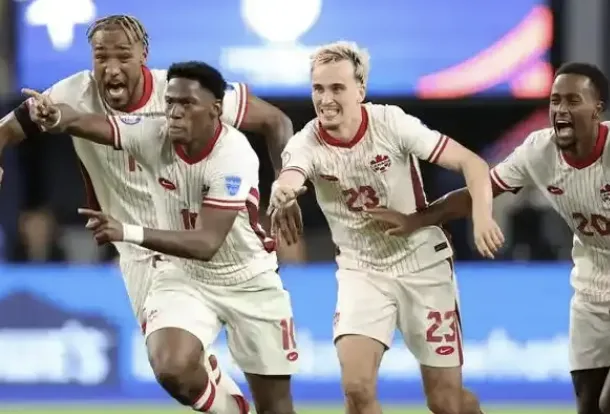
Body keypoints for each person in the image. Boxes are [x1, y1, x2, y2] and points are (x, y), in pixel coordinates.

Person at [0, 14, 297, 407]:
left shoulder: (180, 95)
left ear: (144, 54)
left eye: (123, 56)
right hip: (144, 256)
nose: (111, 68)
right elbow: (25, 126)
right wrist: (45, 122)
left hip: (219, 248)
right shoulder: (72, 93)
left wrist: (286, 185)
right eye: (101, 57)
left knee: (275, 404)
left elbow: (275, 120)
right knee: (173, 370)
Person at [268, 41, 503, 414]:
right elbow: (292, 174)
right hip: (362, 272)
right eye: (318, 88)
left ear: (360, 90)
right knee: (356, 389)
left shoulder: (391, 123)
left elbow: (472, 163)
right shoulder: (306, 142)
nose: (325, 99)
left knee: (446, 402)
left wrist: (483, 216)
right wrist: (284, 191)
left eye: (337, 88)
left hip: (423, 266)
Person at [364, 62, 610, 414]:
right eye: (555, 100)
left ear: (597, 110)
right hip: (590, 290)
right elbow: (478, 193)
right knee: (588, 404)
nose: (561, 110)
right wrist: (418, 219)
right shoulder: (539, 152)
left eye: (573, 101)